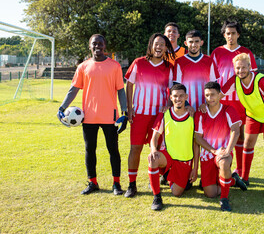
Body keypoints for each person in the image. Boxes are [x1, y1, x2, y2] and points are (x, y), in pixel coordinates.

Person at [56, 34, 127, 195]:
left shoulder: (115, 66)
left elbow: (121, 90)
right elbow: (73, 89)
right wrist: (62, 107)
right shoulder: (83, 67)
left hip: (110, 117)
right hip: (88, 117)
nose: (97, 47)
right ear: (90, 46)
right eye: (94, 44)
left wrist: (124, 112)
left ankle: (116, 184)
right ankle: (92, 182)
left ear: (105, 46)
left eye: (100, 44)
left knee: (113, 150)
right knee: (90, 149)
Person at [221, 53, 264, 200]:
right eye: (237, 68)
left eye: (243, 67)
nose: (240, 70)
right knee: (247, 145)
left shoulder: (261, 81)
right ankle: (245, 178)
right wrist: (206, 104)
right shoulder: (235, 80)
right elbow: (220, 94)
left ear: (250, 67)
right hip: (253, 114)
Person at [124, 33, 175, 198]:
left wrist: (168, 104)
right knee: (135, 148)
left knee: (157, 150)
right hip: (140, 113)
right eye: (156, 44)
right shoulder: (139, 63)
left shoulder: (168, 67)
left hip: (158, 116)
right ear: (151, 45)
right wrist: (129, 108)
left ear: (166, 48)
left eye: (162, 44)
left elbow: (171, 91)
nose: (159, 47)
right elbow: (129, 85)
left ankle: (158, 177)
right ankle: (132, 184)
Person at [211, 20, 258, 177]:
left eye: (233, 33)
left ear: (238, 34)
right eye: (227, 33)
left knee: (241, 136)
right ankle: (223, 171)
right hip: (222, 102)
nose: (230, 36)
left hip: (242, 102)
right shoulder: (217, 52)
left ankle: (241, 171)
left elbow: (254, 76)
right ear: (224, 35)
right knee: (222, 136)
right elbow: (212, 78)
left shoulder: (245, 53)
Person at [194, 82, 247, 212]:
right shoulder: (200, 113)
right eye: (207, 95)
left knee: (223, 164)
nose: (210, 98)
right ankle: (232, 179)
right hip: (208, 154)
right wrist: (213, 151)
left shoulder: (228, 109)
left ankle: (224, 199)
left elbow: (236, 130)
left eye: (213, 94)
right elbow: (197, 138)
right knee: (210, 193)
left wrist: (227, 151)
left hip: (224, 152)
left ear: (219, 95)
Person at [148, 84, 198, 211]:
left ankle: (168, 175)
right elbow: (154, 137)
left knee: (177, 193)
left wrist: (195, 167)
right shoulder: (165, 114)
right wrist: (154, 149)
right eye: (175, 96)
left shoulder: (193, 116)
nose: (178, 99)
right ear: (171, 98)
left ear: (186, 97)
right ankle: (157, 197)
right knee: (153, 158)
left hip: (184, 159)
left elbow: (196, 143)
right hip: (168, 155)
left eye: (181, 96)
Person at [173, 30, 219, 110]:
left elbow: (214, 85)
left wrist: (207, 104)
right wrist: (186, 105)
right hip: (186, 108)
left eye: (196, 41)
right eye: (191, 42)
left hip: (206, 107)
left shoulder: (209, 61)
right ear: (186, 43)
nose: (194, 45)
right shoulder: (179, 62)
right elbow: (176, 86)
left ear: (201, 43)